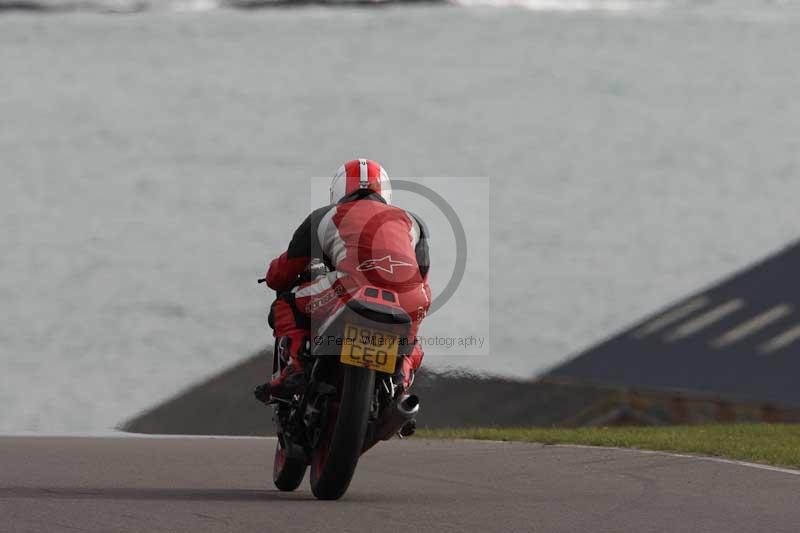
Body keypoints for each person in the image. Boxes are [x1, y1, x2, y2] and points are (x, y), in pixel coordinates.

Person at [254, 159, 431, 401]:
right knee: (411, 343)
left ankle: (296, 366)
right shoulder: (414, 223)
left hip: (350, 288)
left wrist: (274, 276)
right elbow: (422, 275)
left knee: (286, 303)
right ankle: (401, 378)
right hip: (412, 297)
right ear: (386, 192)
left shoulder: (324, 216)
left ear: (337, 191)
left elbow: (280, 275)